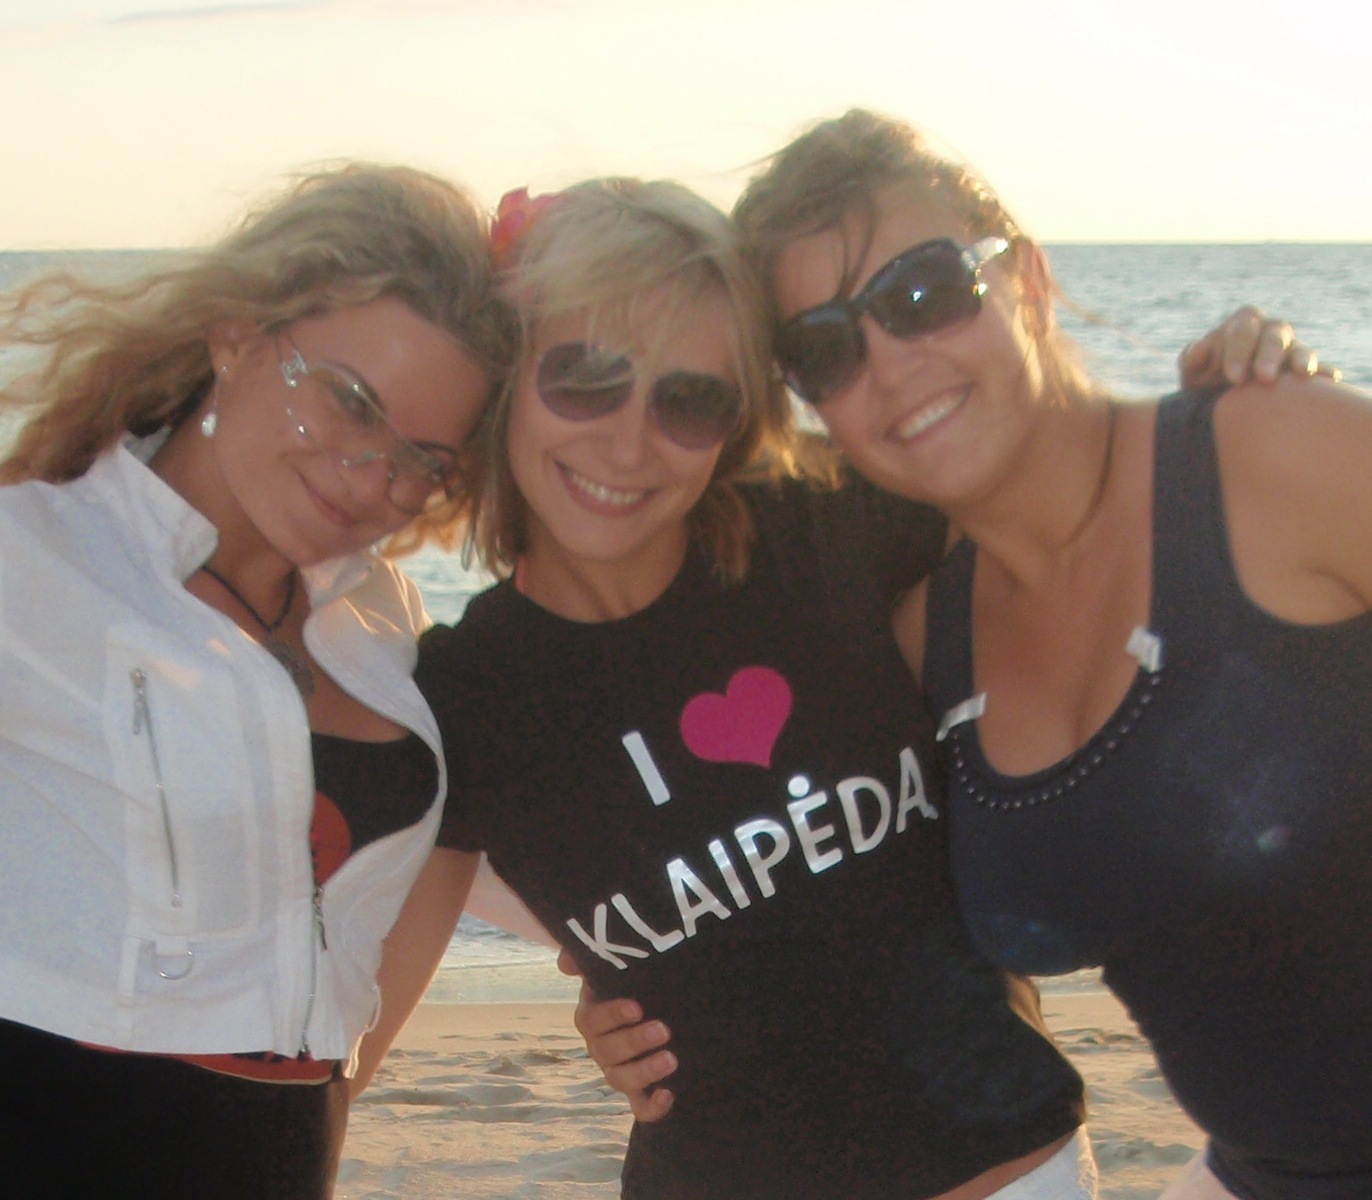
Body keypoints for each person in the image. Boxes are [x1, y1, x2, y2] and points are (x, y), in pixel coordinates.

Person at [407, 177, 1312, 1200]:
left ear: (740, 418)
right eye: (583, 378)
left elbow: (1102, 524)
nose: (627, 442)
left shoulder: (838, 524)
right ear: (508, 378)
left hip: (1005, 1171)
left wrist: (1233, 405)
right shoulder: (463, 698)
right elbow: (335, 1004)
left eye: (690, 401)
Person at [663, 108, 1365, 1200]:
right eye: (827, 350)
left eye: (922, 293)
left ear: (1026, 279)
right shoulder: (926, 646)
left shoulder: (1272, 455)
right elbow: (792, 886)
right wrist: (623, 993)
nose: (890, 365)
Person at [0, 163, 513, 1199]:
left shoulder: (379, 614)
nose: (372, 480)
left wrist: (344, 1059)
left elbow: (444, 841)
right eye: (349, 403)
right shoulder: (32, 558)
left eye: (422, 460)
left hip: (282, 1152)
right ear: (236, 333)